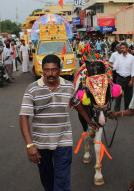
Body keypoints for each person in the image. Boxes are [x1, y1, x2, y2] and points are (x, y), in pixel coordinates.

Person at [19, 54, 98, 191]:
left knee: (62, 180)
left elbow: (77, 103)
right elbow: (24, 117)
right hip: (41, 143)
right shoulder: (32, 89)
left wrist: (88, 120)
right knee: (47, 179)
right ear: (42, 70)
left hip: (63, 141)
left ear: (60, 70)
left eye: (54, 69)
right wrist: (29, 145)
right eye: (46, 70)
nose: (50, 74)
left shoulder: (68, 86)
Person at [113, 42, 134, 111]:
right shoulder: (118, 57)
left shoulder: (132, 58)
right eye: (121, 48)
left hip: (128, 79)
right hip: (119, 78)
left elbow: (133, 70)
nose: (122, 49)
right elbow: (115, 67)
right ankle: (116, 110)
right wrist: (108, 64)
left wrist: (132, 80)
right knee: (118, 96)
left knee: (128, 96)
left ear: (127, 48)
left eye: (123, 48)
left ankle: (127, 110)